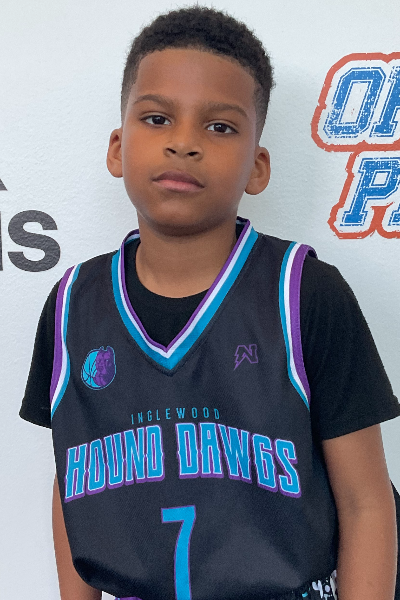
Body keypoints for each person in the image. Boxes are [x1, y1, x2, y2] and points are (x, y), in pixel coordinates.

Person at [20, 6, 400, 600]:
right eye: (157, 118)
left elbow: (365, 501)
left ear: (258, 166)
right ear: (118, 148)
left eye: (220, 127)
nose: (183, 143)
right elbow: (71, 487)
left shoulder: (305, 293)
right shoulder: (73, 303)